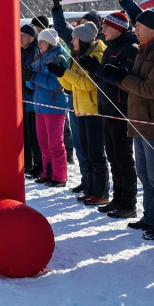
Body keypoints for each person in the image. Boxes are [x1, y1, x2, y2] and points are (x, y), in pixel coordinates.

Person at [105, 9, 154, 241]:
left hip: (153, 124)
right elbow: (135, 86)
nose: (135, 30)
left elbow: (152, 89)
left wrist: (122, 78)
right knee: (145, 176)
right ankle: (150, 217)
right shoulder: (143, 50)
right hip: (138, 121)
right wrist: (119, 77)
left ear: (153, 28)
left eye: (139, 26)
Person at [92, 11, 139, 218]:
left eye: (106, 27)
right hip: (106, 109)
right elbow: (103, 77)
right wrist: (93, 70)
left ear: (118, 28)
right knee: (112, 157)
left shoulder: (130, 48)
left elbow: (122, 80)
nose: (102, 30)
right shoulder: (110, 47)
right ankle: (118, 198)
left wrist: (98, 71)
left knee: (123, 158)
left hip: (120, 110)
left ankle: (128, 204)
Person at [57, 22, 108, 204]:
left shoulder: (96, 56)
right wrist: (60, 73)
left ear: (84, 39)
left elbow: (88, 85)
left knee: (96, 154)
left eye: (75, 38)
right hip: (81, 110)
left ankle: (101, 193)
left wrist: (66, 73)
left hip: (93, 111)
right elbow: (71, 86)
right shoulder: (78, 56)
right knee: (86, 153)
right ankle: (91, 189)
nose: (72, 41)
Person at [25, 28, 71, 187]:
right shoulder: (40, 58)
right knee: (43, 143)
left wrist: (34, 76)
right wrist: (28, 76)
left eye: (42, 41)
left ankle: (59, 177)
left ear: (50, 42)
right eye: (38, 41)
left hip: (54, 107)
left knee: (55, 144)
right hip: (39, 107)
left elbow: (55, 84)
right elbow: (32, 86)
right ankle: (47, 173)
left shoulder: (58, 58)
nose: (39, 44)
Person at [20, 24, 43, 178]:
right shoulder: (20, 51)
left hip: (33, 98)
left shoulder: (36, 51)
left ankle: (38, 165)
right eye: (19, 35)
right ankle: (27, 164)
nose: (20, 38)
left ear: (32, 37)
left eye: (24, 35)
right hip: (21, 97)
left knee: (34, 135)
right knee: (24, 133)